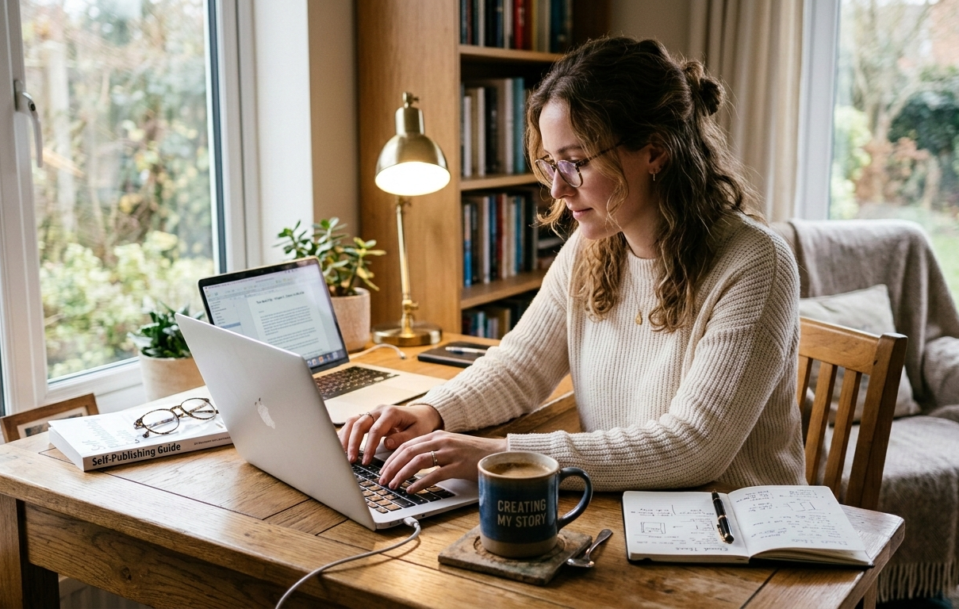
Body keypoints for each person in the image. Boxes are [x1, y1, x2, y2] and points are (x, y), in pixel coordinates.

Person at [339, 36, 806, 494]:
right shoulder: (593, 247)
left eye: (575, 162)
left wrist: (505, 456)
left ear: (655, 151)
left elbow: (692, 446)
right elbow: (521, 364)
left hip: (743, 536)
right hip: (623, 512)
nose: (558, 190)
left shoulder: (754, 263)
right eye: (550, 164)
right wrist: (431, 412)